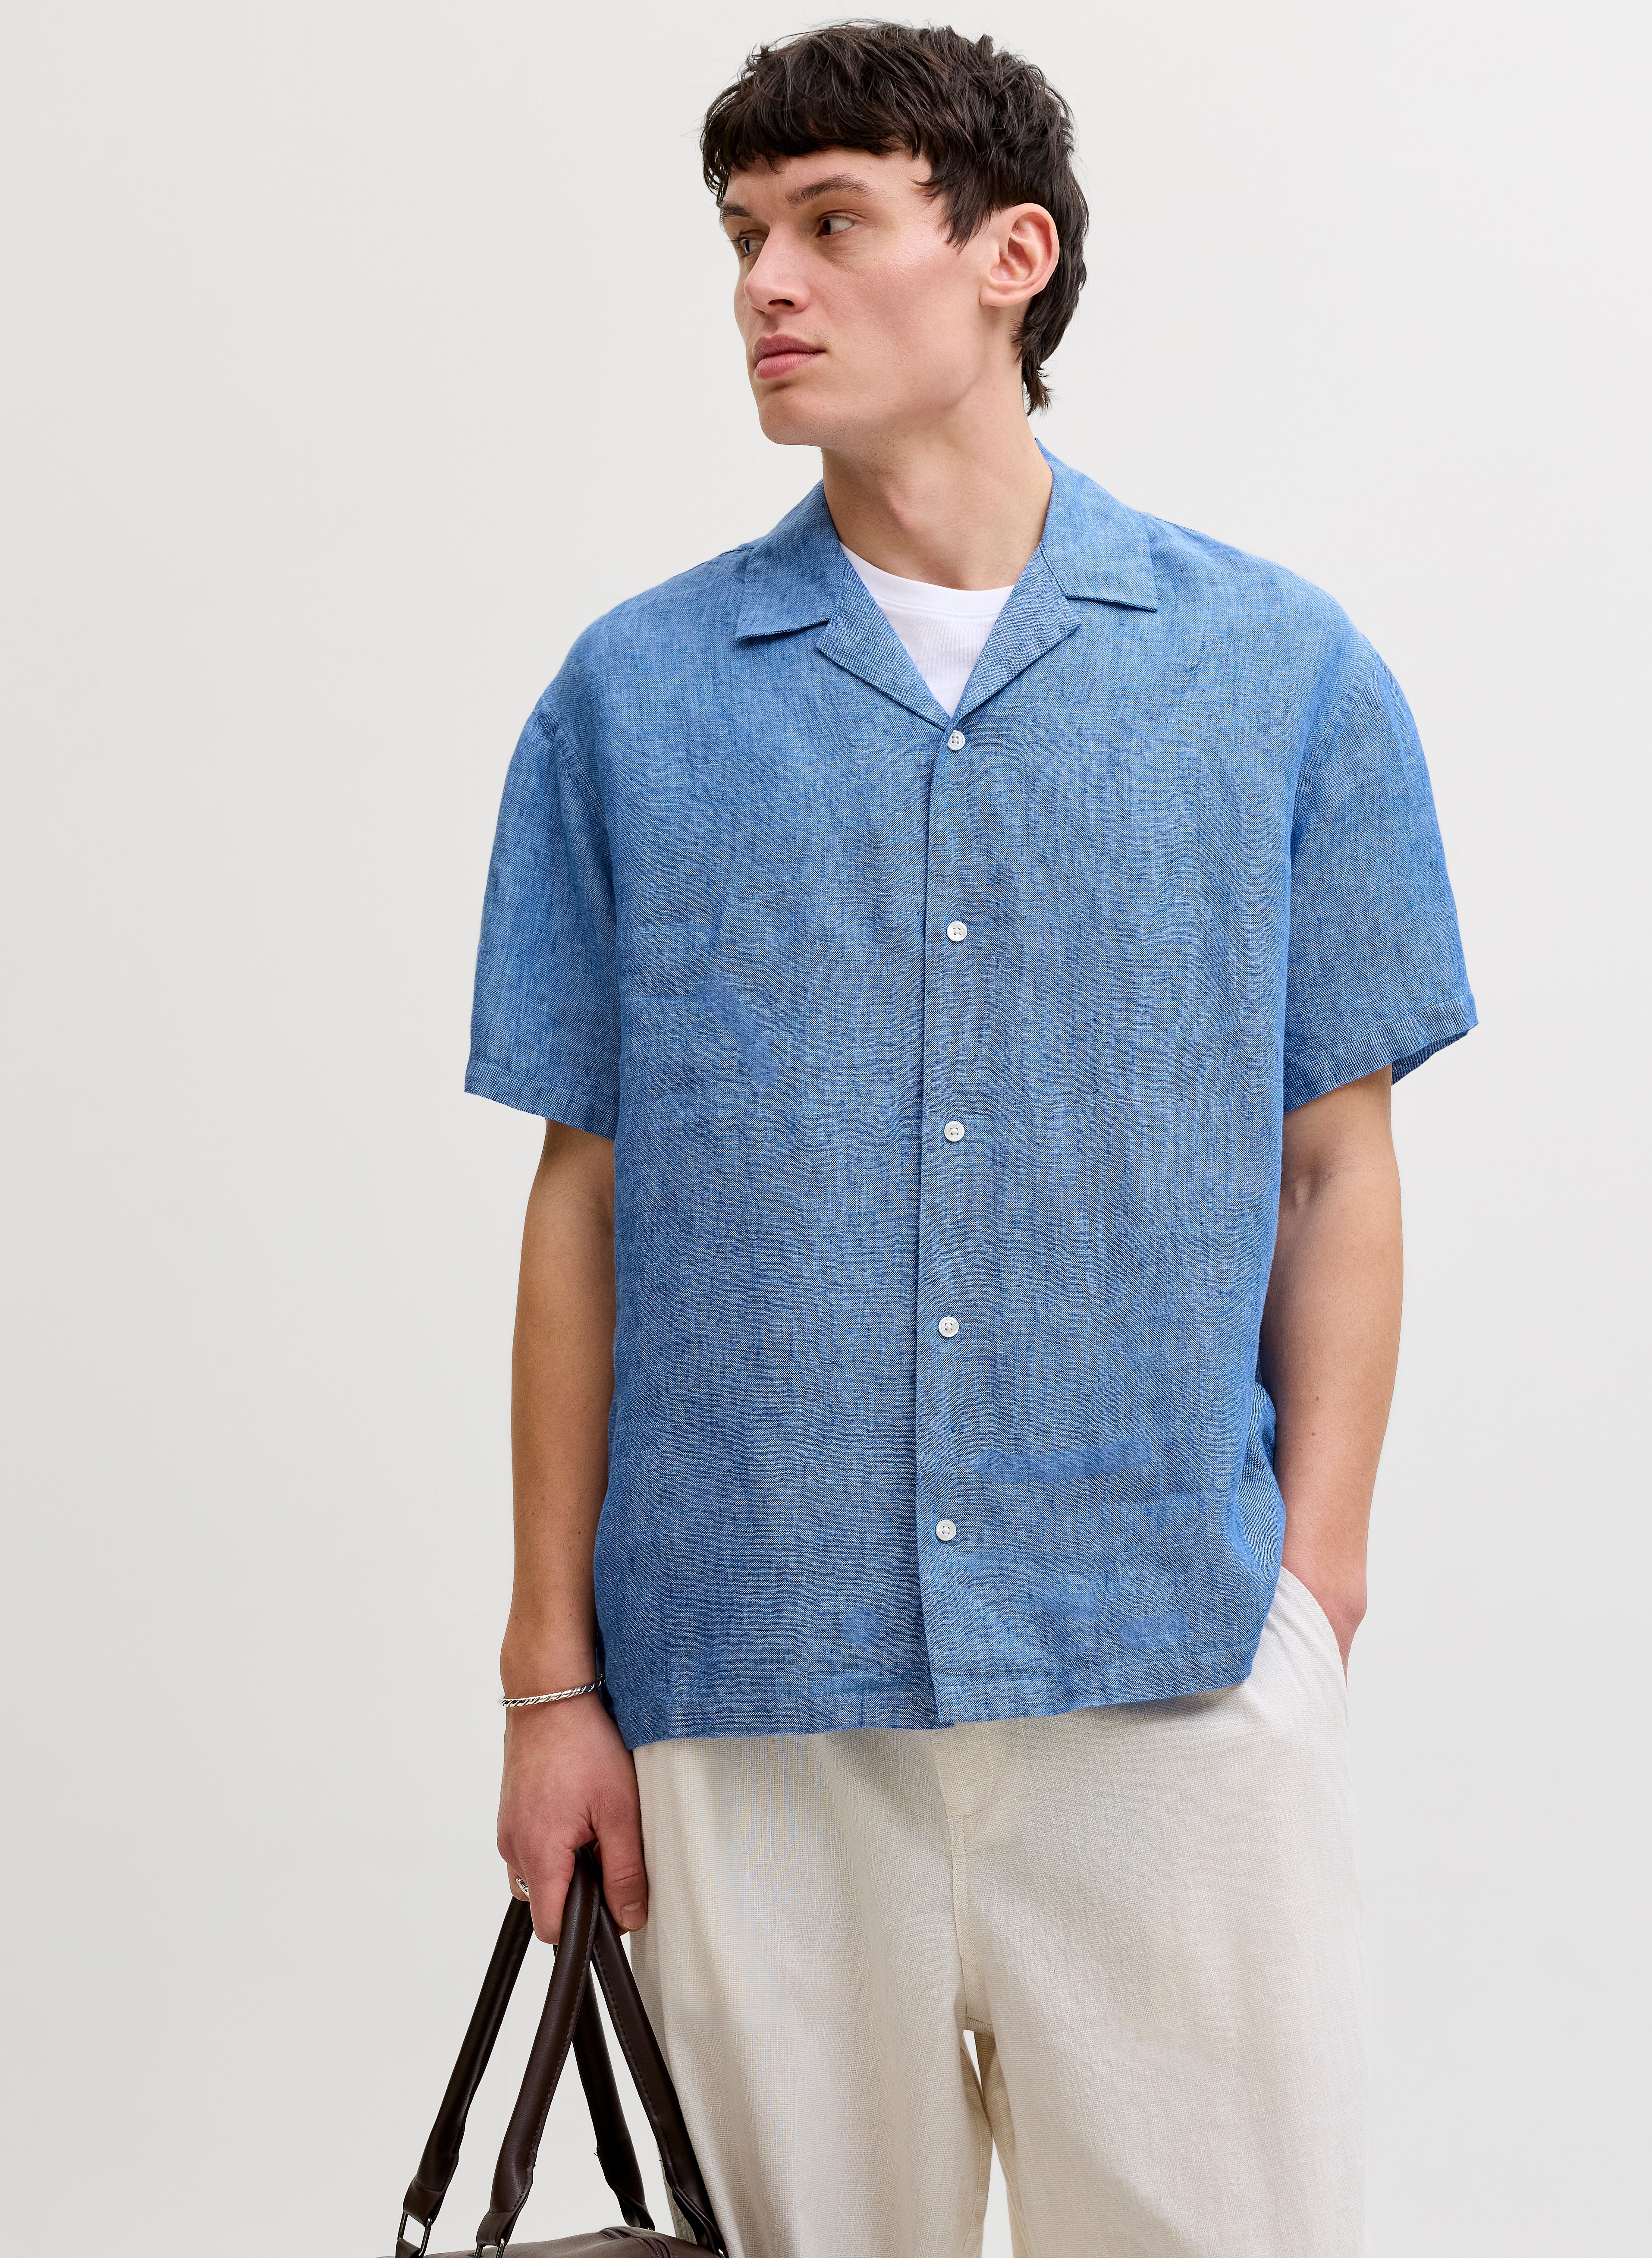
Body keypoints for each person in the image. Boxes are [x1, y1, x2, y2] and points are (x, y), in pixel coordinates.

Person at [467, 22, 1475, 2256]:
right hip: (751, 1688)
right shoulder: (630, 702)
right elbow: (584, 1206)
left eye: (832, 222)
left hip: (1165, 1660)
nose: (767, 283)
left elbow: (1337, 1166)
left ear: (1011, 257)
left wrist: (1310, 1588)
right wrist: (552, 1683)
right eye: (745, 235)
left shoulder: (1279, 675)